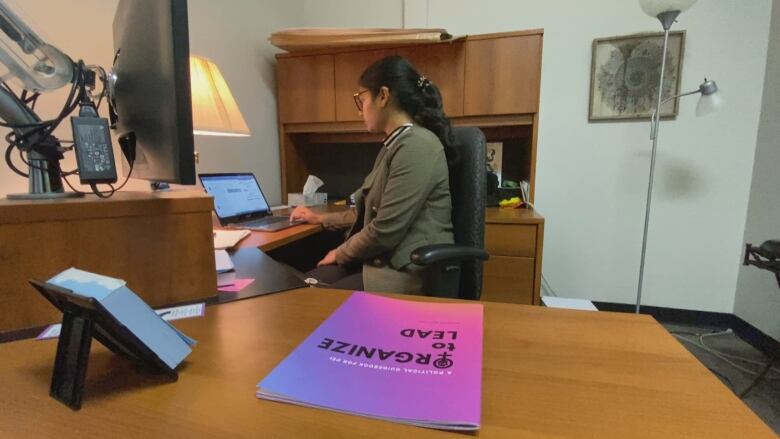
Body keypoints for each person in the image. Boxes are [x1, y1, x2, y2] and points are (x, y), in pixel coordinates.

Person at [289, 55, 457, 294]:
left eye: (361, 99)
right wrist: (321, 219)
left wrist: (340, 252)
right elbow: (367, 211)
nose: (360, 112)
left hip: (408, 271)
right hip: (381, 262)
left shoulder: (417, 146)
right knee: (303, 287)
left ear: (383, 96)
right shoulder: (394, 146)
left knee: (310, 297)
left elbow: (385, 230)